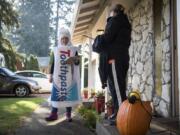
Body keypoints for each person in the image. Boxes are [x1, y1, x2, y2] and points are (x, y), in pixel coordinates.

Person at [101, 4, 132, 124]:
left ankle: (121, 116)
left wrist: (100, 38)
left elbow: (107, 37)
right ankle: (118, 112)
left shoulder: (116, 21)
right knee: (116, 87)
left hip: (115, 59)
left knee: (117, 88)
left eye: (110, 13)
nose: (110, 15)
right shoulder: (125, 22)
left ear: (114, 12)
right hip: (121, 58)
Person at [45, 27, 81, 122]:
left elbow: (77, 62)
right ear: (60, 39)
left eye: (66, 38)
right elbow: (52, 63)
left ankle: (68, 114)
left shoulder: (73, 50)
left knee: (68, 94)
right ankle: (54, 114)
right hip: (58, 77)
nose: (64, 40)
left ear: (69, 39)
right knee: (56, 95)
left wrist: (73, 59)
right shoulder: (55, 50)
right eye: (63, 38)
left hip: (69, 76)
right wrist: (50, 75)